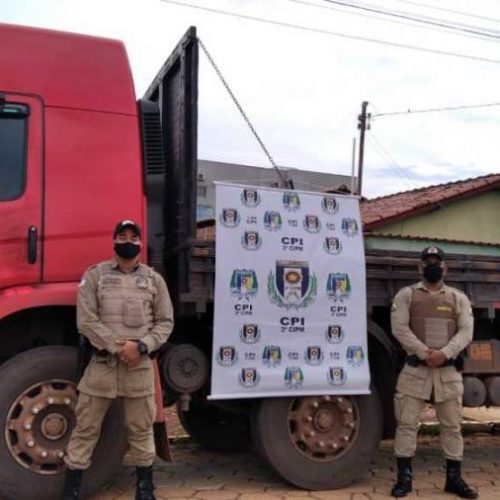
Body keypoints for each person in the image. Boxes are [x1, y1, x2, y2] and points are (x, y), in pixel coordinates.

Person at [61, 220, 174, 500]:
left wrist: (142, 346)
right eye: (122, 235)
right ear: (114, 241)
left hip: (139, 367)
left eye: (133, 236)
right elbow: (86, 321)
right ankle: (71, 490)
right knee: (86, 428)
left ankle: (145, 489)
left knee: (140, 429)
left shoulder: (154, 280)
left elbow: (165, 322)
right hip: (102, 366)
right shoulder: (95, 275)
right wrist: (118, 347)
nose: (128, 240)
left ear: (139, 242)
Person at [390, 247, 477, 499]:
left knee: (452, 427)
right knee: (406, 425)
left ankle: (454, 479)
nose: (432, 265)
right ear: (420, 267)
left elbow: (466, 332)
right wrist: (424, 351)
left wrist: (445, 353)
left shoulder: (457, 298)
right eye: (427, 262)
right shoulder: (406, 295)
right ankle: (404, 480)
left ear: (445, 267)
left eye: (436, 262)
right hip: (416, 370)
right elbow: (399, 328)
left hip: (447, 372)